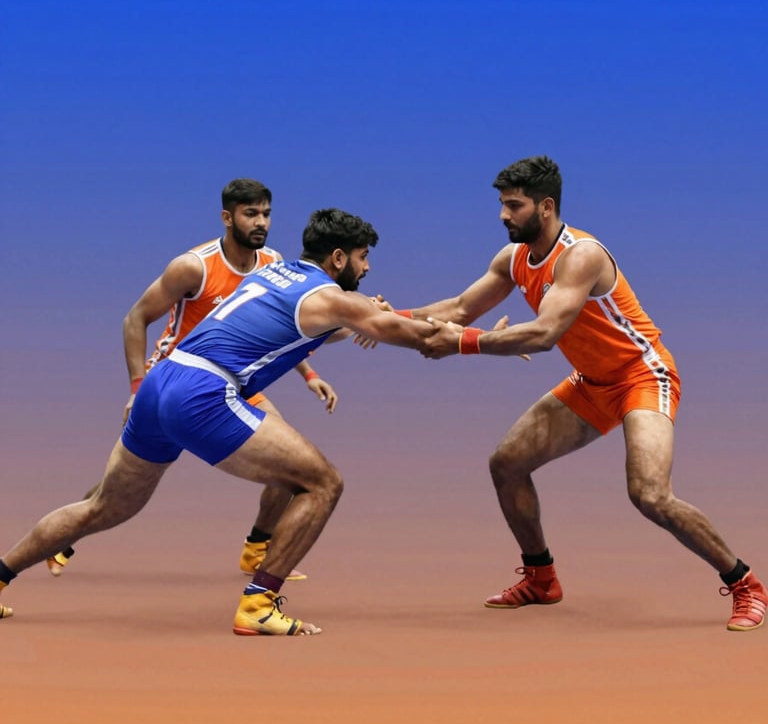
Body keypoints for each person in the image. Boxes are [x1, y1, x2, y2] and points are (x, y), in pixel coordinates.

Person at [0, 209, 435, 635]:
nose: (367, 266)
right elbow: (403, 332)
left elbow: (314, 325)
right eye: (363, 257)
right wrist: (480, 341)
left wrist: (371, 318)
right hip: (204, 392)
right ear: (339, 259)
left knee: (104, 506)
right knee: (322, 483)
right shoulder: (312, 291)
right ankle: (258, 605)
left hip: (162, 381)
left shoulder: (274, 270)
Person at [409, 155, 766, 632]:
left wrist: (462, 343)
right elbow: (457, 308)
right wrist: (384, 317)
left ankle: (745, 583)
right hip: (592, 382)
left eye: (513, 206)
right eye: (501, 204)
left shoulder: (582, 255)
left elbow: (544, 333)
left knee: (650, 493)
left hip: (643, 375)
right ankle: (540, 578)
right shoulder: (513, 258)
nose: (502, 215)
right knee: (507, 463)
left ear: (546, 206)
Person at [45, 178, 337, 583]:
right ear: (227, 217)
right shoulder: (194, 267)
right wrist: (136, 387)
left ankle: (257, 548)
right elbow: (135, 320)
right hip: (174, 379)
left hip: (231, 384)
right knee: (121, 483)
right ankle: (66, 536)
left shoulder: (274, 264)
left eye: (267, 213)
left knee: (293, 467)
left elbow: (281, 332)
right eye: (251, 213)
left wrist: (310, 374)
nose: (261, 222)